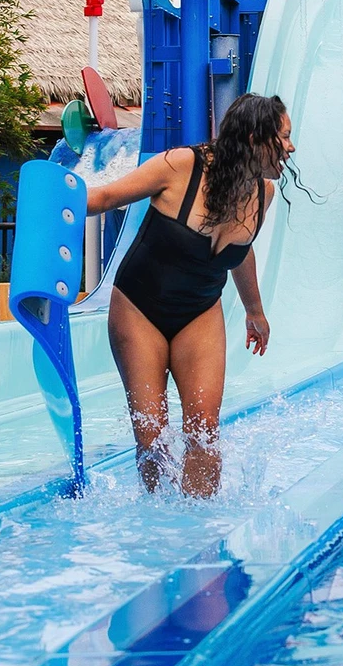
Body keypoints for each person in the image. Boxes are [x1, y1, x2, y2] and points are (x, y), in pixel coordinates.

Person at [88, 94, 292, 496]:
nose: (291, 146)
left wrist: (255, 310)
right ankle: (160, 519)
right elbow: (105, 198)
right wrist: (47, 204)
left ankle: (198, 525)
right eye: (284, 137)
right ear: (254, 139)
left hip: (199, 311)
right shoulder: (180, 166)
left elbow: (240, 248)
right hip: (139, 308)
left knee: (204, 432)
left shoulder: (262, 193)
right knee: (152, 436)